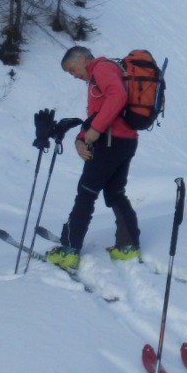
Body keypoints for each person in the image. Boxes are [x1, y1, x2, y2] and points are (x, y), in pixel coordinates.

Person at [46, 46, 142, 269]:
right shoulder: (104, 73)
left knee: (86, 193)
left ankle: (69, 250)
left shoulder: (102, 68)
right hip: (124, 140)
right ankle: (128, 246)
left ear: (82, 58)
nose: (74, 75)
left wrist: (96, 130)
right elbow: (95, 115)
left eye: (72, 69)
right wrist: (81, 138)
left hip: (110, 141)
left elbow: (117, 96)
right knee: (115, 192)